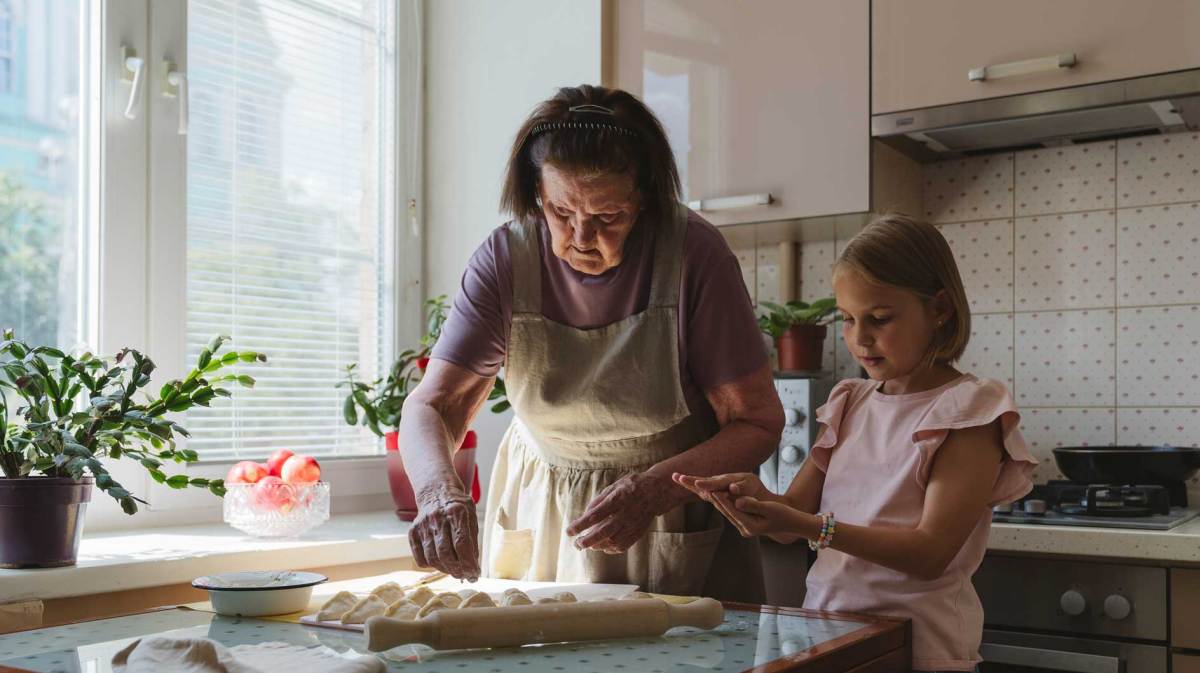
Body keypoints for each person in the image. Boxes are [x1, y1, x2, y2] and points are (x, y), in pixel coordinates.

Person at [399, 84, 782, 602]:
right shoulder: (504, 259)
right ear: (537, 193)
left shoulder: (695, 255)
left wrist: (656, 489)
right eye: (561, 213)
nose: (580, 237)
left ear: (642, 199)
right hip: (540, 512)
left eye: (607, 218)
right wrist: (438, 493)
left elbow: (757, 422)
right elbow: (433, 405)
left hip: (669, 513)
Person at [675, 215, 1036, 672]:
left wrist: (813, 528)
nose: (859, 339)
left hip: (921, 648)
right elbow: (791, 521)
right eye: (847, 319)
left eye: (880, 319)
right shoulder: (850, 401)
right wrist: (756, 501)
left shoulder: (969, 411)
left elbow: (929, 554)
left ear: (940, 309)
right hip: (832, 637)